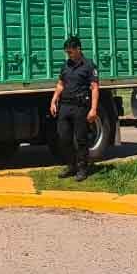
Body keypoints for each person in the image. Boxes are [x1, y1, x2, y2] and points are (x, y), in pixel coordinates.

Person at [50, 36, 100, 182]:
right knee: (63, 137)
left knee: (81, 139)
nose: (68, 55)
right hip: (65, 106)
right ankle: (71, 166)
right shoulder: (65, 65)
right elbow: (60, 84)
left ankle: (82, 168)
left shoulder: (89, 66)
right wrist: (54, 100)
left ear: (78, 49)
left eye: (70, 52)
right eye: (67, 52)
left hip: (80, 107)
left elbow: (95, 88)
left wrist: (93, 109)